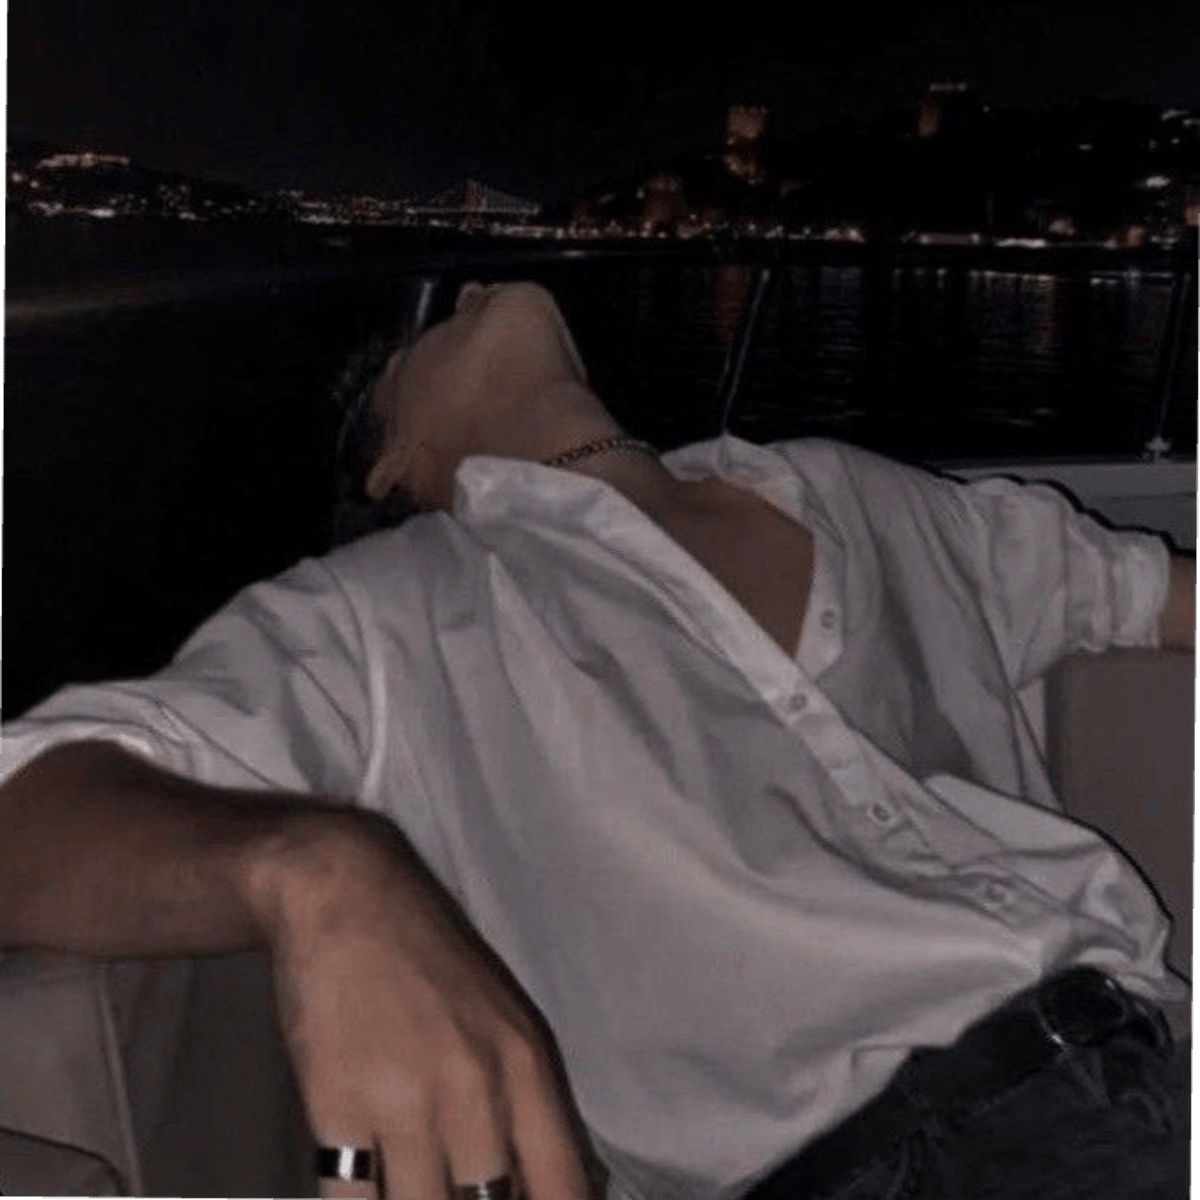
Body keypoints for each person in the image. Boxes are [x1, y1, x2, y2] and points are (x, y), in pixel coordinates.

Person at [0, 280, 1193, 1200]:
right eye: (429, 329)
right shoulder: (383, 616)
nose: (474, 287)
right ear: (394, 460)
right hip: (877, 1169)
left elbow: (1153, 599)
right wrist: (318, 874)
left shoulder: (858, 491)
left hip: (1159, 1067)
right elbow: (25, 810)